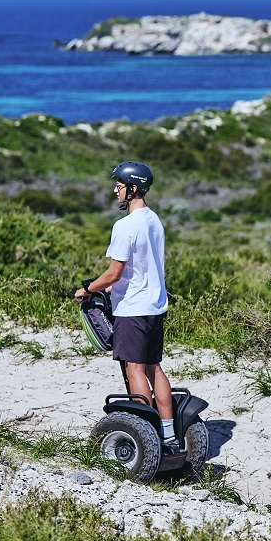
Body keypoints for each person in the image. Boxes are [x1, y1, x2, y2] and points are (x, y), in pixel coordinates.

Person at [75, 161, 177, 452]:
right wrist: (111, 285)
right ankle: (168, 435)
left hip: (132, 310)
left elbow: (114, 272)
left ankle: (147, 435)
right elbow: (140, 266)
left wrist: (89, 288)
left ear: (132, 188)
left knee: (133, 368)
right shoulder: (153, 220)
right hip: (155, 306)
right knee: (153, 368)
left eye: (119, 185)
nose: (115, 190)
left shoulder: (124, 226)